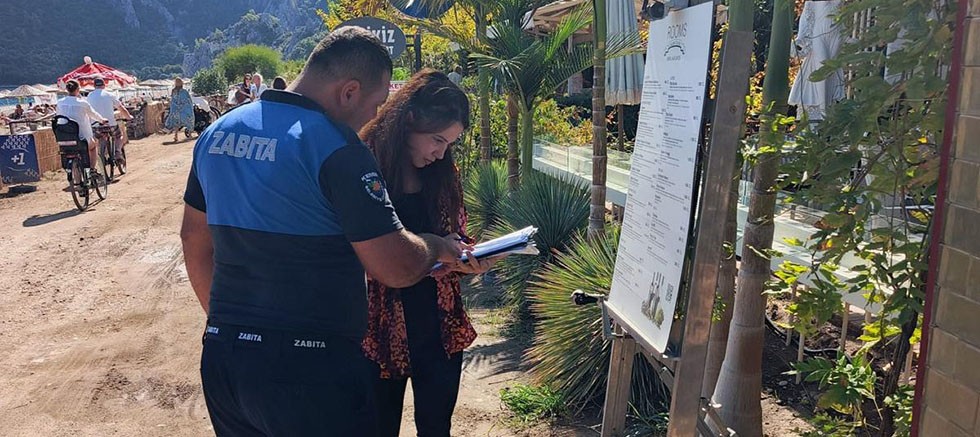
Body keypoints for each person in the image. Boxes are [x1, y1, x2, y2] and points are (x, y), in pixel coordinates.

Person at [180, 26, 465, 436]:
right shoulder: (336, 148)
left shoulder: (218, 133)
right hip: (309, 369)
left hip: (226, 363)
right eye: (375, 104)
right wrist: (436, 246)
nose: (374, 117)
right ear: (349, 92)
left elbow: (193, 239)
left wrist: (234, 328)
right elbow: (395, 266)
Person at [360, 69, 495, 437]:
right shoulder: (365, 165)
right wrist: (429, 246)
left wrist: (469, 260)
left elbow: (457, 234)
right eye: (437, 140)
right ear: (409, 120)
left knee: (436, 428)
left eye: (449, 143)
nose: (440, 153)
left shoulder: (444, 173)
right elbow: (355, 249)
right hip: (377, 326)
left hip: (438, 323)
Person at [56, 79, 107, 173]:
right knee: (93, 147)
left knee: (73, 153)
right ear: (78, 89)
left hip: (64, 139)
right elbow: (93, 114)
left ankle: (76, 178)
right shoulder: (83, 103)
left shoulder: (60, 102)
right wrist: (102, 120)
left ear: (67, 90)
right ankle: (92, 170)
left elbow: (58, 116)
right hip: (82, 138)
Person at [87, 77, 132, 166]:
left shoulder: (89, 96)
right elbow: (121, 108)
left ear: (94, 86)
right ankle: (118, 152)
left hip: (96, 125)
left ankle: (101, 155)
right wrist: (129, 117)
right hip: (110, 124)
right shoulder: (110, 95)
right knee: (119, 136)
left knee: (97, 138)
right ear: (104, 85)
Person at [165, 78, 195, 142]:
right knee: (189, 121)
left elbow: (173, 100)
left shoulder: (173, 91)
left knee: (176, 123)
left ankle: (176, 136)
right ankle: (189, 135)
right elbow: (188, 100)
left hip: (175, 110)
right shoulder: (184, 91)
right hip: (184, 110)